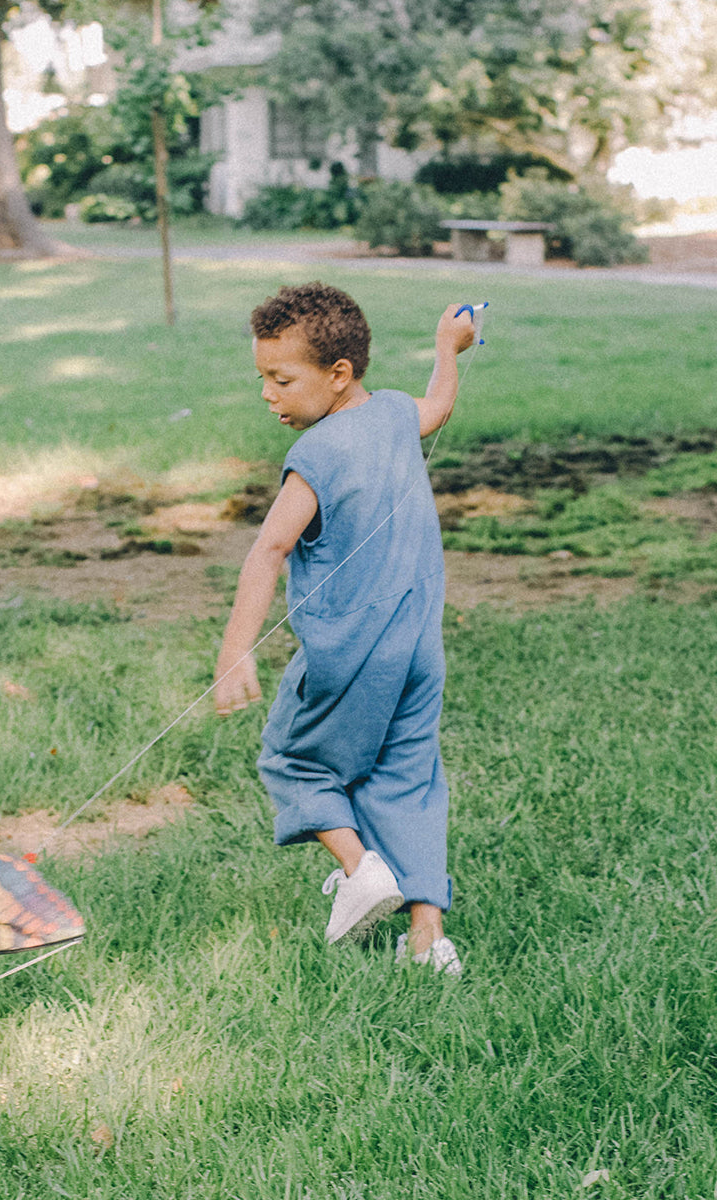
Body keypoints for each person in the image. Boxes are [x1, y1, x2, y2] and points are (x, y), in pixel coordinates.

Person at [213, 281, 475, 975]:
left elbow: (267, 549)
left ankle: (361, 871)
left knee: (291, 759)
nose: (267, 393)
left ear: (337, 375)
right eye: (261, 377)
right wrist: (449, 347)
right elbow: (439, 405)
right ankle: (428, 940)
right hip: (419, 647)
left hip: (349, 654)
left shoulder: (316, 457)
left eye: (281, 378)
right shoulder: (392, 412)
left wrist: (236, 650)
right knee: (408, 778)